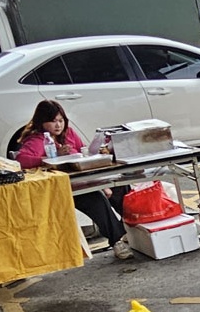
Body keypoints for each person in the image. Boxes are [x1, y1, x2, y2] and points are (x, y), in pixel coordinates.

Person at [16, 100, 133, 260]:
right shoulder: (37, 140)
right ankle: (117, 241)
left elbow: (83, 151)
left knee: (121, 187)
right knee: (97, 201)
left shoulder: (69, 133)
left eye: (61, 120)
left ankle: (133, 227)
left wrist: (99, 180)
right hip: (66, 187)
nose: (58, 125)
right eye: (53, 121)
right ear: (42, 122)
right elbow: (22, 160)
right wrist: (51, 157)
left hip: (87, 179)